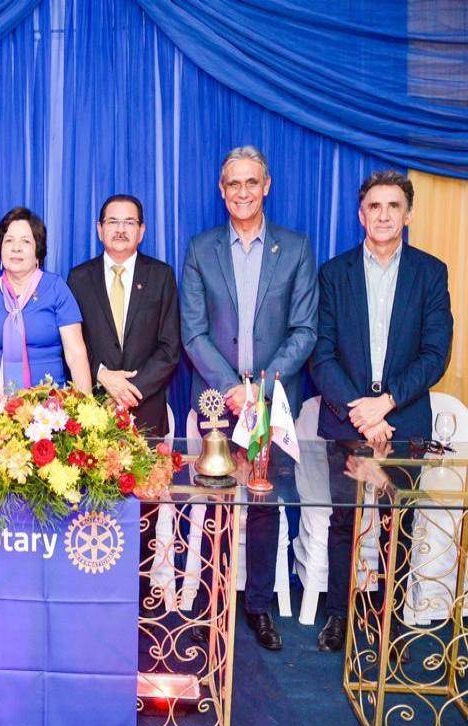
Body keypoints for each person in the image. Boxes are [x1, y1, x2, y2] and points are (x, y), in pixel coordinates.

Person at [180, 146, 317, 650]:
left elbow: (305, 330)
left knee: (263, 502)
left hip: (271, 401)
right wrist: (232, 389)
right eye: (233, 183)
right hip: (218, 402)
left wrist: (260, 387)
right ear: (222, 191)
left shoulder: (296, 248)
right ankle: (213, 602)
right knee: (215, 500)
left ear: (266, 186)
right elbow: (193, 332)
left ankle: (258, 607)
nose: (243, 191)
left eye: (251, 182)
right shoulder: (201, 249)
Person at [310, 170, 453, 652]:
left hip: (404, 419)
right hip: (347, 420)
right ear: (361, 215)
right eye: (375, 206)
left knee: (399, 523)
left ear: (408, 215)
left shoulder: (430, 273)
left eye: (394, 206)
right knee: (344, 520)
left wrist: (386, 403)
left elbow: (435, 353)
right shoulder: (334, 274)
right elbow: (321, 354)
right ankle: (338, 615)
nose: (384, 215)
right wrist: (361, 413)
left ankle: (389, 619)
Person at [68, 193, 180, 615]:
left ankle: (140, 598)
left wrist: (131, 389)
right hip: (92, 413)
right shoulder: (79, 278)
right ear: (99, 229)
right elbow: (72, 344)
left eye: (129, 222)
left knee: (142, 509)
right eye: (112, 222)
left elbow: (170, 348)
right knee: (93, 505)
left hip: (145, 410)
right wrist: (102, 376)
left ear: (142, 230)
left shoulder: (161, 276)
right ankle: (94, 593)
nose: (120, 229)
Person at [0, 207, 91, 435]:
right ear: (0, 249)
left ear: (38, 252)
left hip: (50, 415)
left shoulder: (56, 289)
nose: (16, 248)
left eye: (25, 241)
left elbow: (76, 354)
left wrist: (86, 409)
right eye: (9, 240)